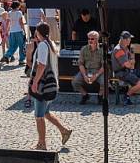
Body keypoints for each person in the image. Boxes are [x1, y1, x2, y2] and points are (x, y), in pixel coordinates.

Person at [29, 22, 73, 150]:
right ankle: (64, 131)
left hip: (44, 86)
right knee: (46, 113)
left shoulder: (43, 45)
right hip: (52, 85)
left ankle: (42, 143)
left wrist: (35, 82)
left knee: (39, 116)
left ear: (38, 32)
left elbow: (42, 65)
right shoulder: (51, 44)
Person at [111, 31, 140, 105]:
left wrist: (131, 62)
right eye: (128, 39)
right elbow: (127, 64)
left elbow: (132, 59)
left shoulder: (125, 48)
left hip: (128, 70)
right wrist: (131, 63)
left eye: (129, 39)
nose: (129, 41)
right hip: (121, 72)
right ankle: (126, 96)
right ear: (123, 39)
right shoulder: (118, 50)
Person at [73, 30, 104, 104]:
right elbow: (80, 64)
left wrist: (96, 75)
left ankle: (100, 96)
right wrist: (84, 75)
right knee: (75, 82)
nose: (90, 40)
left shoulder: (102, 50)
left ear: (97, 39)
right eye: (89, 39)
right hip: (86, 70)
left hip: (98, 71)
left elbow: (104, 66)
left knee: (104, 82)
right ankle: (85, 95)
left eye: (92, 39)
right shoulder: (84, 49)